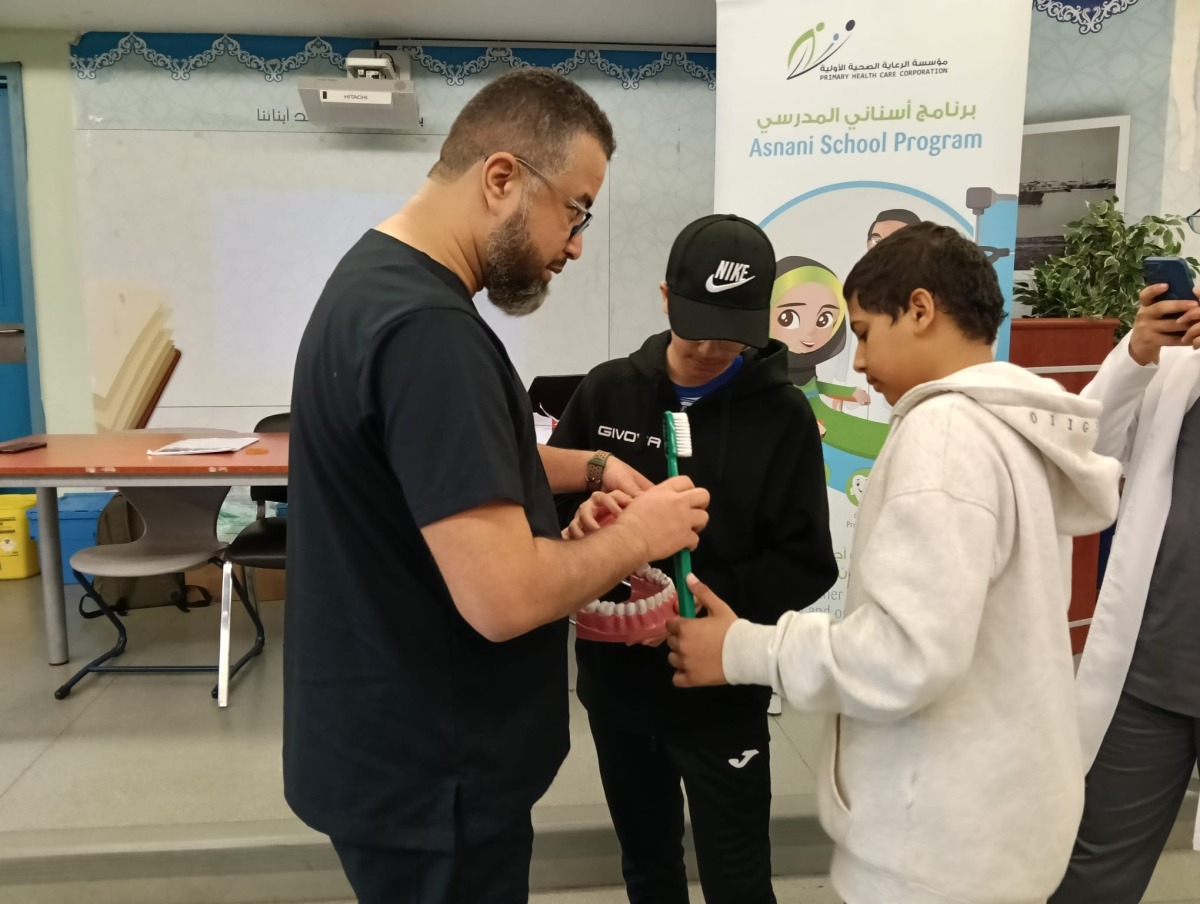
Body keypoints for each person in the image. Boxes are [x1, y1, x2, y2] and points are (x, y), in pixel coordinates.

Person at [282, 68, 710, 904]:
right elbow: (504, 598)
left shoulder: (374, 283)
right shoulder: (431, 334)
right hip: (434, 772)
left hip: (382, 745)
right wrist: (642, 533)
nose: (576, 245)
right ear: (503, 178)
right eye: (576, 210)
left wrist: (590, 467)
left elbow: (442, 460)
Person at [665, 222, 1122, 904]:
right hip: (997, 813)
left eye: (864, 332)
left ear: (919, 309)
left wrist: (741, 649)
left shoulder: (946, 434)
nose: (856, 361)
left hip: (935, 840)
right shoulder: (1008, 429)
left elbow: (905, 655)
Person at [549, 214, 837, 904]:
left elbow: (808, 561)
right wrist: (578, 526)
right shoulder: (607, 391)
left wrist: (709, 607)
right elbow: (548, 514)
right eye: (696, 327)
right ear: (665, 298)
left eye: (731, 333)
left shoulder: (784, 415)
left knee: (739, 879)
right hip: (618, 688)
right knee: (648, 866)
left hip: (722, 692)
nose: (710, 348)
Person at [1051, 282, 1200, 902]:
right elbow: (1083, 454)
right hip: (1150, 673)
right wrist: (1136, 356)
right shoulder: (1180, 364)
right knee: (1090, 874)